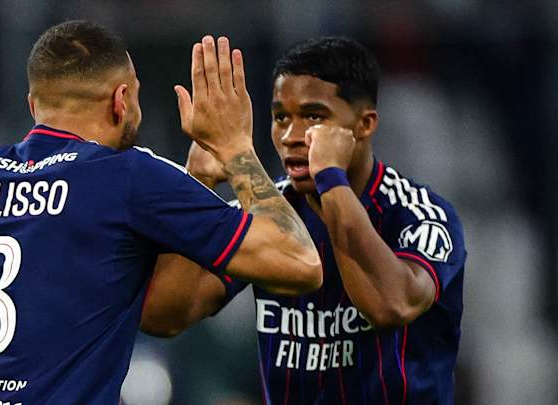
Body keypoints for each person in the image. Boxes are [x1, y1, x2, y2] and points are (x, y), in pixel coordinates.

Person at [0, 21, 322, 405]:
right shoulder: (128, 177)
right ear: (121, 100)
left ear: (33, 105)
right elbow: (299, 263)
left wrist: (198, 181)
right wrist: (236, 149)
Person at [142, 37, 466, 405]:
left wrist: (330, 179)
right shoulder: (269, 212)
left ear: (364, 125)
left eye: (314, 117)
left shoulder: (419, 215)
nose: (292, 136)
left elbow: (391, 306)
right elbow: (165, 317)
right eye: (281, 117)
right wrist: (196, 184)